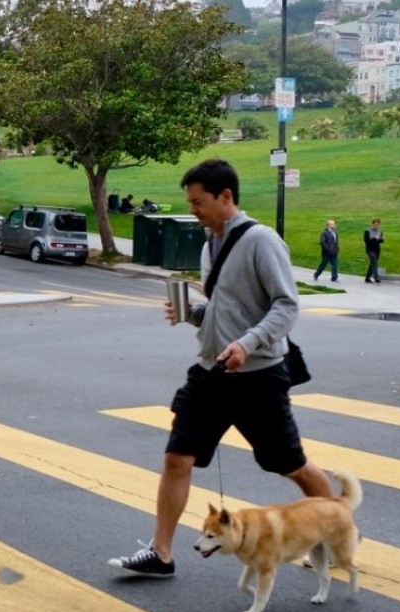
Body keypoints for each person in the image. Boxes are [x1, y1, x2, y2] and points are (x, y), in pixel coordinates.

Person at [108, 159, 334, 578]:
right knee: (178, 455)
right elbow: (225, 309)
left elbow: (287, 306)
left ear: (225, 197)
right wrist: (193, 314)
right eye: (191, 203)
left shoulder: (262, 241)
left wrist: (247, 344)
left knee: (289, 464)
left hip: (258, 376)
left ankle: (337, 533)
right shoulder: (209, 243)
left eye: (199, 202)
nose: (193, 210)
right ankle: (161, 553)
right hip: (212, 372)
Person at [364, 218, 383, 283]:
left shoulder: (380, 231)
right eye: (375, 225)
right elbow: (366, 241)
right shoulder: (367, 231)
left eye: (378, 225)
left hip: (377, 249)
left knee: (372, 263)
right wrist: (374, 238)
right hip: (370, 249)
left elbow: (381, 241)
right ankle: (376, 277)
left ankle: (367, 278)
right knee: (374, 261)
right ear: (372, 224)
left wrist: (381, 239)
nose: (376, 226)